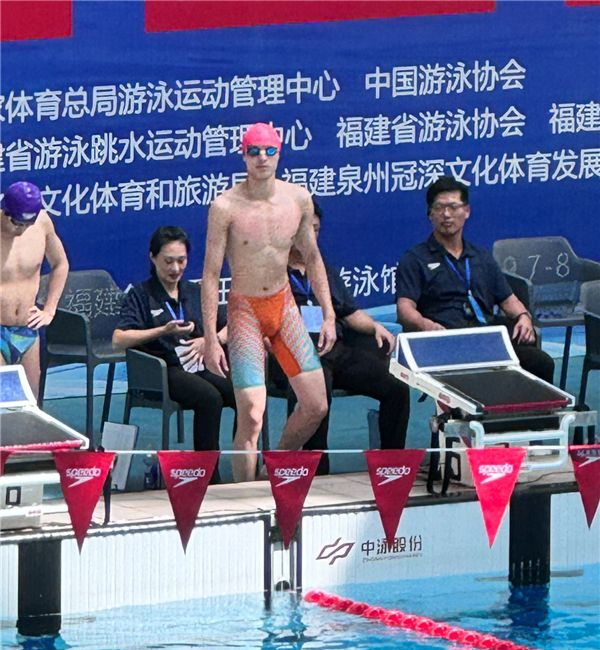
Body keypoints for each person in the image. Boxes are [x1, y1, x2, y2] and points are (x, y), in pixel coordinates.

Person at [201, 122, 336, 482]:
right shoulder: (225, 207)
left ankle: (271, 467)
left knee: (316, 405)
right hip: (245, 310)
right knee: (251, 415)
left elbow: (313, 257)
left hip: (283, 306)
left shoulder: (298, 200)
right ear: (243, 155)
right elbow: (211, 274)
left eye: (269, 150)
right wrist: (212, 339)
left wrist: (329, 314)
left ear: (280, 153)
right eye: (254, 151)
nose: (262, 158)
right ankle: (245, 497)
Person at [271, 199, 410, 475]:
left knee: (396, 387)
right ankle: (316, 470)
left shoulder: (324, 269)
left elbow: (348, 311)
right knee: (317, 387)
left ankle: (391, 465)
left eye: (316, 230)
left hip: (335, 349)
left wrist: (374, 327)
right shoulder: (272, 271)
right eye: (305, 230)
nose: (311, 236)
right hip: (294, 355)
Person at [395, 175, 554, 383]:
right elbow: (404, 308)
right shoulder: (415, 259)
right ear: (430, 214)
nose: (446, 214)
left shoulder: (481, 257)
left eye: (453, 207)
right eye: (439, 208)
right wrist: (426, 325)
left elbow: (508, 300)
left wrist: (524, 316)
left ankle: (530, 406)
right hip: (446, 343)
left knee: (541, 363)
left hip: (485, 339)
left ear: (466, 211)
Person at [113, 226, 236, 483]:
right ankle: (208, 474)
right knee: (210, 398)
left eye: (181, 261)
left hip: (199, 364)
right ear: (153, 257)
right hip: (164, 368)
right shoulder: (141, 295)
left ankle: (244, 463)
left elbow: (231, 323)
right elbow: (119, 339)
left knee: (242, 393)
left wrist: (209, 340)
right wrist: (162, 330)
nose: (175, 268)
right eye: (168, 261)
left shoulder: (195, 291)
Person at [0, 181, 70, 397]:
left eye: (27, 224)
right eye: (16, 223)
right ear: (4, 211)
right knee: (4, 403)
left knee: (31, 402)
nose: (21, 230)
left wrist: (49, 309)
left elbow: (60, 264)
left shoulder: (42, 223)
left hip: (27, 330)